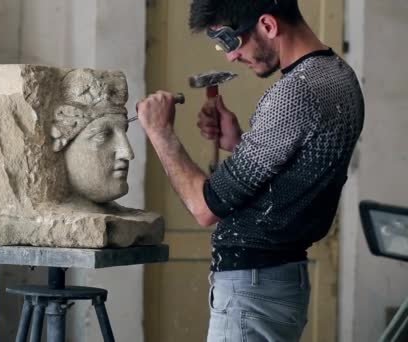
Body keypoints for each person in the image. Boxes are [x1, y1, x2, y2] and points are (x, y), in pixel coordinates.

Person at [136, 0, 364, 340]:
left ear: (268, 25)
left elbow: (205, 206)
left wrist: (160, 133)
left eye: (233, 42)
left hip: (254, 291)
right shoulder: (339, 76)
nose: (230, 56)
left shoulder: (295, 92)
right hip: (281, 281)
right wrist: (240, 142)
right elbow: (294, 176)